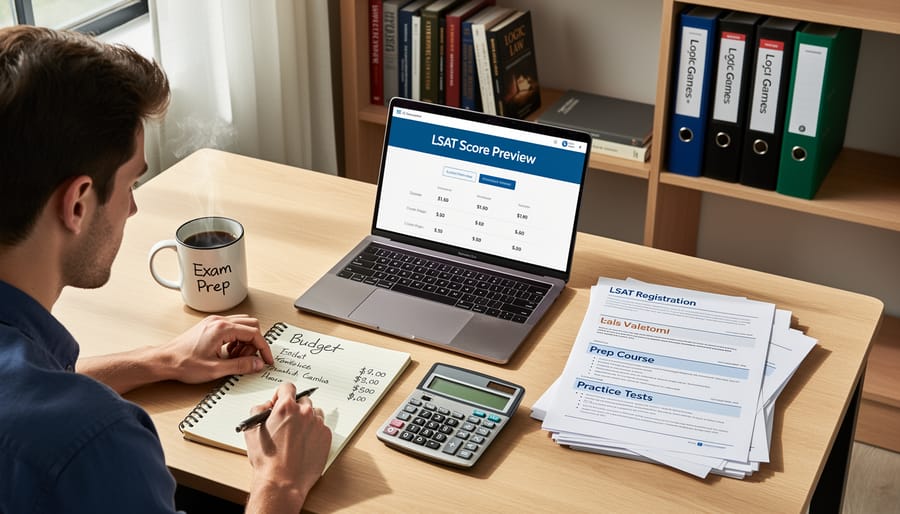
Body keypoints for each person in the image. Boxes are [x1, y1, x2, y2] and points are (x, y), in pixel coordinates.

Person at [0, 25, 331, 513]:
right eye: (133, 181)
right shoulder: (99, 443)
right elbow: (57, 424)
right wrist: (280, 485)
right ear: (77, 204)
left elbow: (25, 390)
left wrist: (160, 360)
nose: (132, 209)